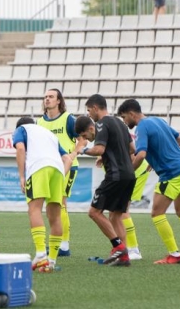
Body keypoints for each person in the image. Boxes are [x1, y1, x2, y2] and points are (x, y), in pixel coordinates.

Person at [117, 99, 180, 264]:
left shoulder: (141, 127)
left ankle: (174, 254)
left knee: (157, 213)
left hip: (172, 173)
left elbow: (140, 154)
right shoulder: (157, 120)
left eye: (124, 117)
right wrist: (156, 158)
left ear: (131, 114)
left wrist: (128, 173)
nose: (124, 121)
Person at [72, 94, 136, 267]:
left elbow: (99, 148)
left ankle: (118, 247)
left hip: (115, 175)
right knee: (115, 216)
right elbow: (132, 149)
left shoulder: (101, 124)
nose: (89, 114)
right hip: (129, 175)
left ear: (94, 108)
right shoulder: (121, 124)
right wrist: (107, 156)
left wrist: (82, 150)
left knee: (94, 212)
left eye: (88, 110)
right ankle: (124, 256)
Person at [13, 117, 73, 273]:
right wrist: (61, 173)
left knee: (34, 210)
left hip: (38, 168)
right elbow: (67, 158)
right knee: (55, 216)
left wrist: (21, 176)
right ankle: (51, 260)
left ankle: (40, 254)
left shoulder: (21, 130)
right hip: (58, 170)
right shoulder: (49, 134)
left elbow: (20, 149)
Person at [36, 88, 77, 257]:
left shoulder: (68, 119)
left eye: (51, 97)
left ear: (59, 100)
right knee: (53, 205)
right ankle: (60, 243)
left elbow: (83, 137)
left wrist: (73, 153)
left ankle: (64, 245)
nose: (47, 99)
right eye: (45, 96)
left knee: (61, 202)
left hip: (67, 166)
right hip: (49, 167)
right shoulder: (39, 122)